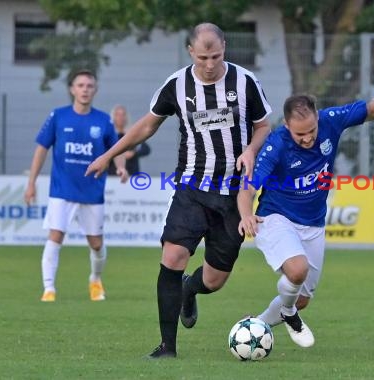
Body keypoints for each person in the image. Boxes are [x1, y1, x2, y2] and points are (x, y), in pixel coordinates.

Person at [85, 23, 272, 358]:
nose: (210, 63)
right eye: (203, 57)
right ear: (190, 52)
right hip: (191, 187)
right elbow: (147, 125)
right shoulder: (177, 84)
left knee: (214, 281)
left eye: (216, 55)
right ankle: (167, 347)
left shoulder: (245, 82)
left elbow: (263, 126)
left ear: (224, 48)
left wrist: (252, 150)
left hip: (233, 194)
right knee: (172, 257)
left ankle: (190, 289)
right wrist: (109, 155)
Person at [237, 81, 374, 347]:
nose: (308, 138)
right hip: (276, 217)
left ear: (317, 117)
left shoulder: (330, 120)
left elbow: (372, 110)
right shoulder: (277, 144)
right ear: (287, 126)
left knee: (302, 299)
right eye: (301, 135)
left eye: (312, 130)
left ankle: (257, 325)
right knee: (296, 271)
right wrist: (245, 215)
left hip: (313, 223)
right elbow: (247, 188)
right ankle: (288, 314)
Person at [24, 69, 128, 303]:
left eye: (89, 86)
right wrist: (31, 183)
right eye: (80, 85)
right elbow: (41, 149)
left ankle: (95, 279)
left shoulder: (103, 121)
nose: (85, 89)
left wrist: (121, 167)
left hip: (92, 192)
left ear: (95, 90)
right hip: (62, 190)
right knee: (55, 235)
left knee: (96, 243)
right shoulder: (58, 116)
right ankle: (49, 289)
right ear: (72, 89)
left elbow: (117, 148)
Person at [108, 105, 151, 175]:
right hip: (113, 176)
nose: (120, 117)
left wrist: (133, 153)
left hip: (132, 175)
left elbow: (146, 149)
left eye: (123, 115)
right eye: (118, 115)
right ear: (113, 117)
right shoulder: (109, 135)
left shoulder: (132, 134)